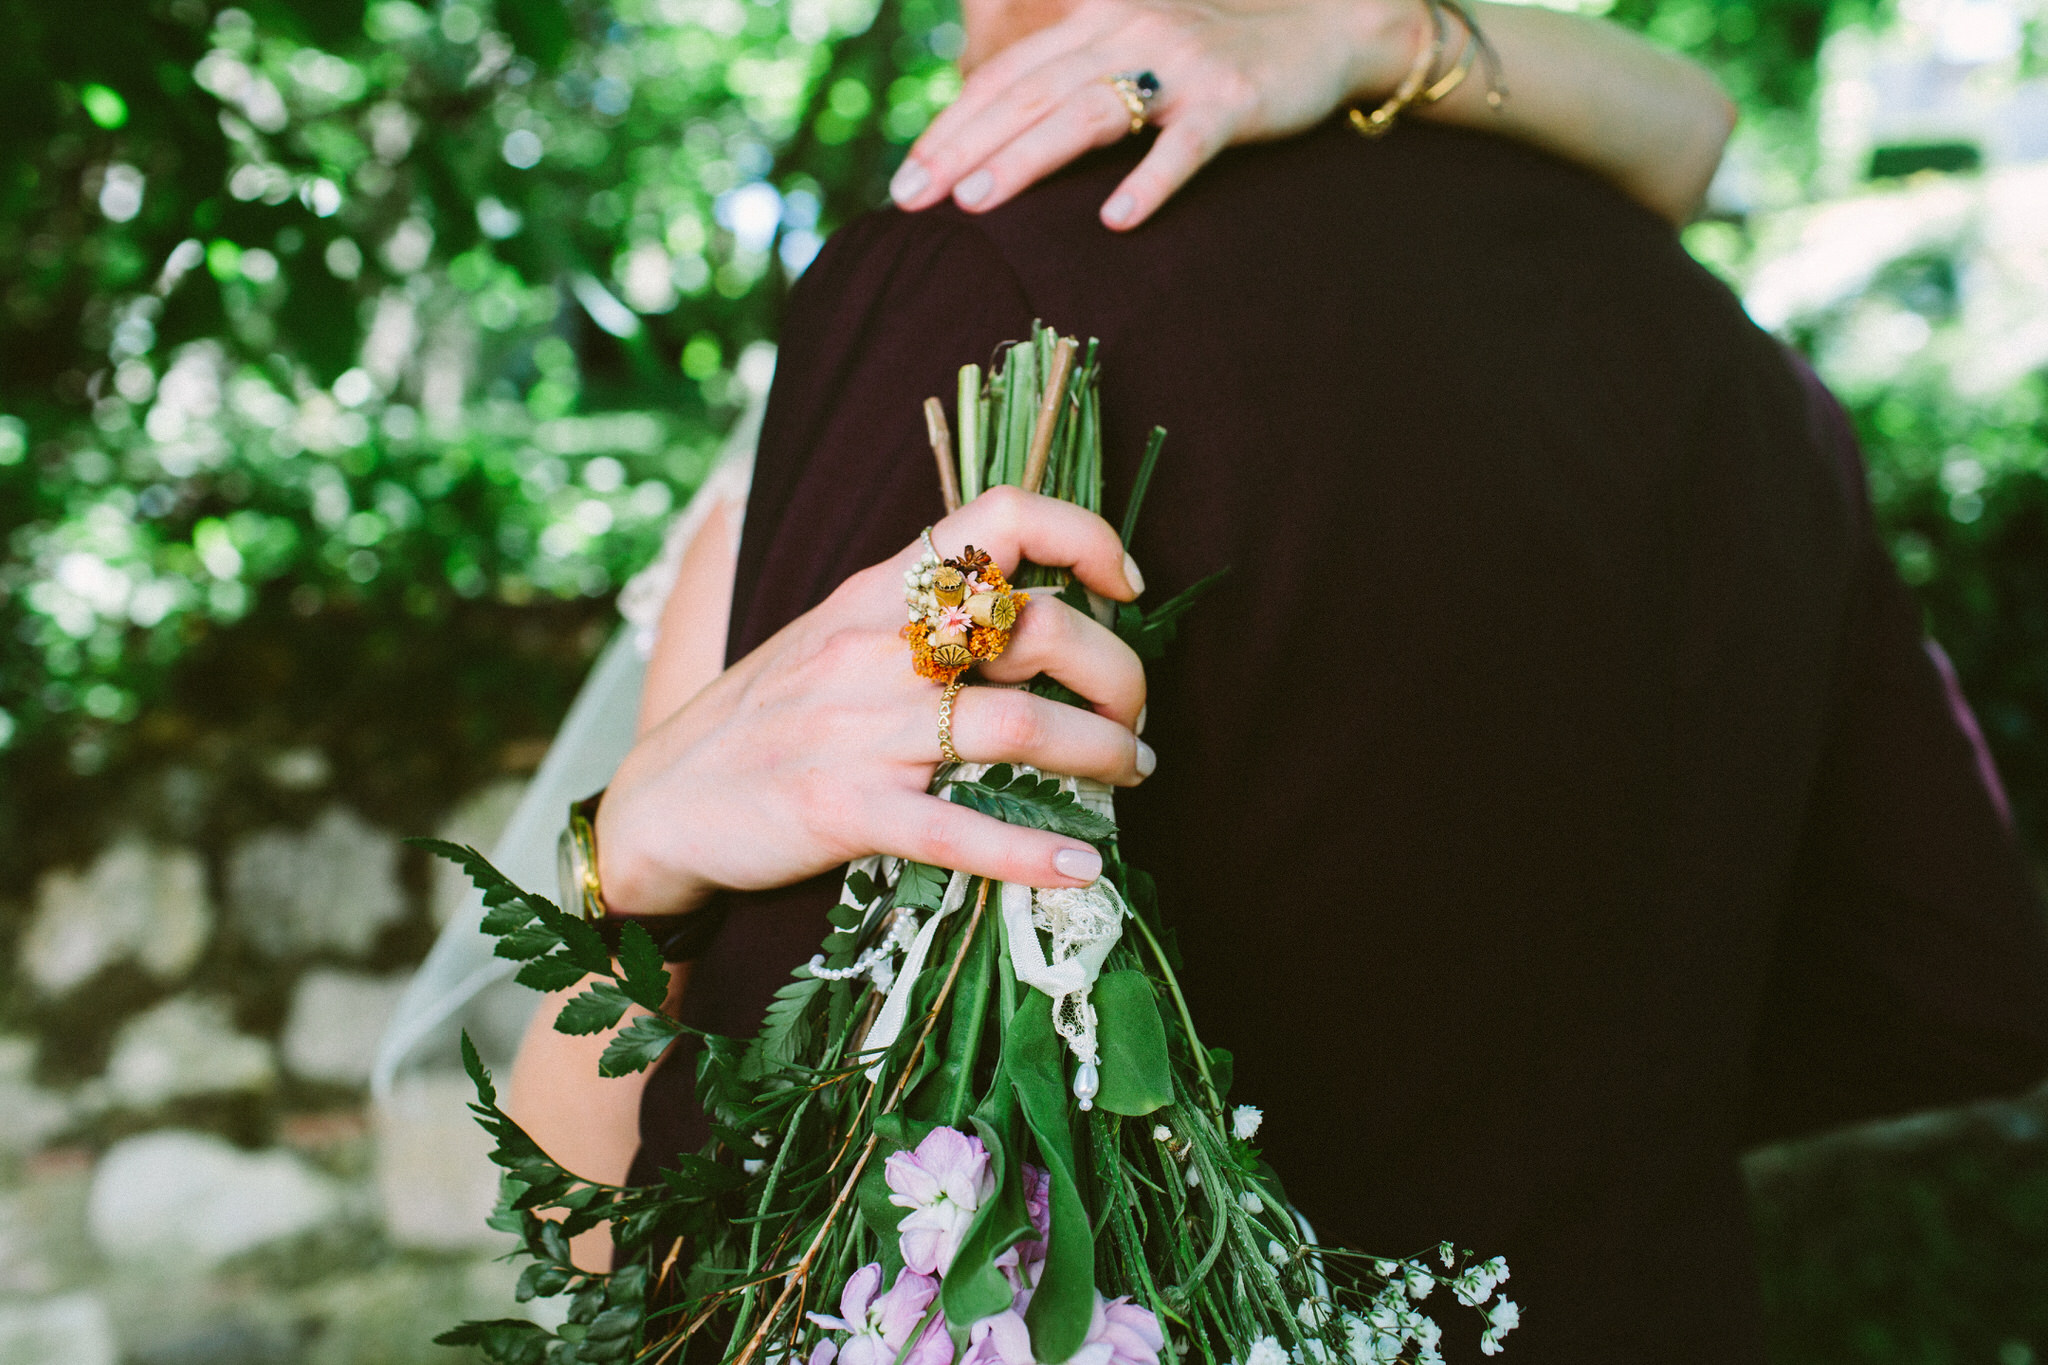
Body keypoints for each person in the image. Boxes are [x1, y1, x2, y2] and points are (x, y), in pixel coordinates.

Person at [496, 1, 2048, 1359]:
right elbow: (1953, 975)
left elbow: (705, 1239)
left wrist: (622, 855)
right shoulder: (1730, 357)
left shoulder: (992, 294)